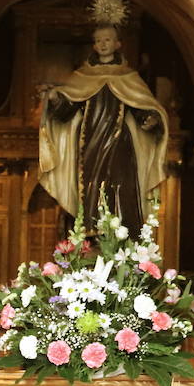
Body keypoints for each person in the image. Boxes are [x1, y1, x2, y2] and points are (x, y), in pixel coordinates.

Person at [39, 21, 167, 233]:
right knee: (91, 185)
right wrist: (55, 98)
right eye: (98, 41)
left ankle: (122, 234)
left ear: (118, 44)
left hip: (120, 142)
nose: (102, 44)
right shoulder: (82, 77)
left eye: (107, 39)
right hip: (90, 140)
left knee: (120, 184)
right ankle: (92, 232)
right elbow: (68, 107)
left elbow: (140, 104)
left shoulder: (128, 76)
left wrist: (150, 119)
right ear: (94, 46)